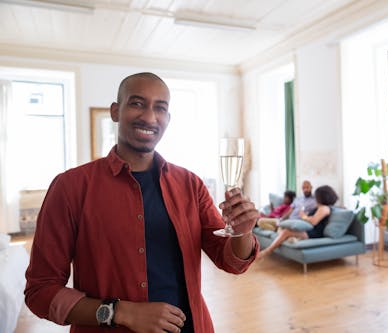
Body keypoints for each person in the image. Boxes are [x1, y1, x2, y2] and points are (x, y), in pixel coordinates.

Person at [24, 72, 260, 333]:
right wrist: (121, 312)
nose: (149, 117)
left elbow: (229, 259)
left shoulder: (191, 184)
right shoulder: (70, 187)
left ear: (168, 119)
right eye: (137, 103)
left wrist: (243, 231)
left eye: (160, 108)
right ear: (115, 111)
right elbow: (40, 291)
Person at [257, 185, 338, 259]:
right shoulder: (319, 207)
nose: (315, 198)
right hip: (309, 229)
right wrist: (305, 216)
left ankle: (267, 251)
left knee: (286, 232)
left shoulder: (324, 208)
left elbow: (314, 221)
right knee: (282, 228)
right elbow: (312, 218)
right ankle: (293, 238)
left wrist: (304, 216)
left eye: (316, 196)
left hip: (314, 232)